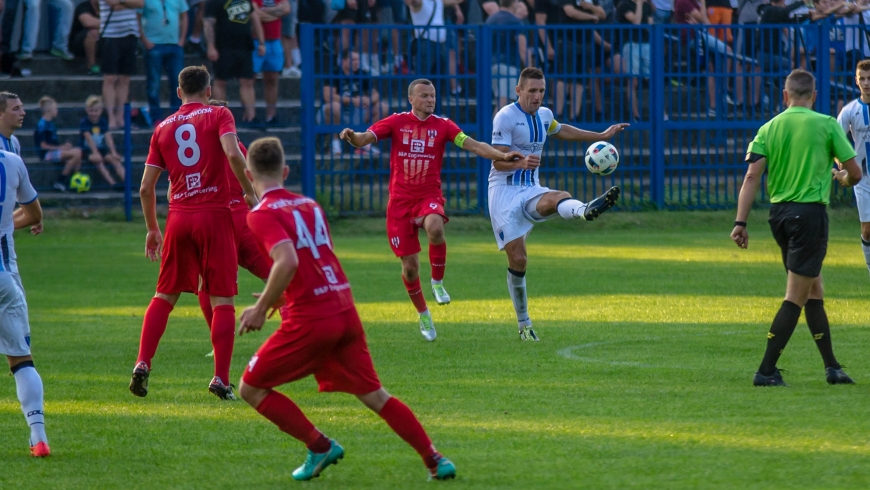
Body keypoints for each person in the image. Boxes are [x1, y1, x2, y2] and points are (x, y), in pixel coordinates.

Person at [236, 136, 457, 482]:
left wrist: (261, 307)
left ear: (248, 174)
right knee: (376, 396)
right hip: (343, 309)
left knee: (250, 388)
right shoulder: (310, 205)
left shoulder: (259, 215)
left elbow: (289, 260)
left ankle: (319, 445)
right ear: (286, 170)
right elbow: (316, 259)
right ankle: (434, 458)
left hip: (311, 320)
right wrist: (280, 297)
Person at [339, 79, 524, 341]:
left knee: (435, 227)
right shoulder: (395, 121)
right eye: (424, 95)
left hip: (428, 196)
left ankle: (437, 283)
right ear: (411, 99)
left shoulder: (444, 126)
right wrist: (352, 137)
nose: (430, 100)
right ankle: (424, 313)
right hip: (400, 204)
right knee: (410, 268)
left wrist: (501, 156)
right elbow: (365, 138)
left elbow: (473, 144)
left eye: (432, 95)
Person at [129, 66, 257, 400]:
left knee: (164, 295)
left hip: (178, 218)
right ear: (209, 89)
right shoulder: (219, 114)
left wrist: (152, 229)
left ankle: (143, 362)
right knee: (222, 298)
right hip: (214, 214)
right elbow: (232, 153)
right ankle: (221, 379)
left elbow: (145, 188)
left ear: (178, 91)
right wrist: (249, 192)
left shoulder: (162, 127)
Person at [733, 69, 861, 386]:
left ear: (785, 96)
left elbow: (751, 178)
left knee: (813, 289)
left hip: (780, 216)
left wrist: (740, 222)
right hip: (810, 216)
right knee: (796, 295)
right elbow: (855, 172)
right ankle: (765, 371)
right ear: (814, 96)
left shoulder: (769, 127)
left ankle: (832, 367)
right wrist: (843, 179)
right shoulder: (826, 124)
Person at [489, 68, 625, 340]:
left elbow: (562, 131)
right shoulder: (505, 117)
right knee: (519, 258)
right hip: (503, 193)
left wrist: (600, 135)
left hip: (530, 189)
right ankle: (524, 325)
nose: (537, 96)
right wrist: (520, 162)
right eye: (532, 91)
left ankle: (584, 210)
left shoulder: (544, 115)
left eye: (541, 91)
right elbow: (496, 160)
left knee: (556, 197)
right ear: (519, 91)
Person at [198, 100, 272, 356]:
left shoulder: (194, 150)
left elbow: (172, 193)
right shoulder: (237, 148)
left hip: (210, 222)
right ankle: (301, 328)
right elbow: (253, 180)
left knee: (207, 286)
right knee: (276, 277)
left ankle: (218, 340)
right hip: (241, 219)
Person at [0, 145, 48, 457]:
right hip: (3, 278)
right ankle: (39, 437)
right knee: (21, 360)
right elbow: (34, 214)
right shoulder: (12, 162)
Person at [204, 0, 266, 124]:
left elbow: (254, 18)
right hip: (223, 47)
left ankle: (251, 117)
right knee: (220, 81)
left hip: (245, 46)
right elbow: (208, 24)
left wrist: (261, 42)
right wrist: (211, 46)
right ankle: (219, 118)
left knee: (247, 81)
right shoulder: (213, 2)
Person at [837, 60, 870, 277]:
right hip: (863, 179)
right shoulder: (850, 111)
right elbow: (835, 139)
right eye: (863, 79)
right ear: (856, 81)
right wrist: (841, 163)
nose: (867, 83)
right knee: (867, 229)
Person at [322, 50, 389, 156]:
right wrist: (353, 101)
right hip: (339, 112)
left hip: (359, 112)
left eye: (358, 60)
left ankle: (364, 144)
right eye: (353, 60)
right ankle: (335, 144)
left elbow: (376, 95)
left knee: (382, 107)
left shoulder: (363, 74)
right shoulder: (334, 73)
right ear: (343, 61)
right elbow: (328, 96)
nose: (356, 62)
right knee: (333, 107)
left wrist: (368, 100)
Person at [139, 0, 189, 123]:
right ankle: (156, 117)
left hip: (174, 45)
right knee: (153, 84)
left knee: (178, 83)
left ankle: (177, 116)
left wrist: (182, 40)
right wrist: (145, 40)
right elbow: (137, 18)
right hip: (154, 45)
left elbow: (184, 15)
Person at [100, 0, 144, 129]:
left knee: (125, 79)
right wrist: (129, 3)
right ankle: (111, 117)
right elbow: (113, 4)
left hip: (130, 33)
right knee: (110, 78)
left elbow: (140, 3)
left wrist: (122, 2)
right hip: (111, 34)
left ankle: (120, 116)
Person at [34, 96, 83, 192]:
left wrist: (65, 147)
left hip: (54, 151)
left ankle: (73, 181)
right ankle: (61, 181)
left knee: (78, 153)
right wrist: (61, 148)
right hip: (46, 154)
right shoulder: (42, 124)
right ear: (48, 110)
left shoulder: (51, 123)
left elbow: (53, 142)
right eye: (55, 109)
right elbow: (43, 146)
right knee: (76, 153)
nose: (57, 111)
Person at [251, 0, 290, 124]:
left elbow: (286, 9)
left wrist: (264, 12)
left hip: (275, 40)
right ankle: (251, 116)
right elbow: (254, 14)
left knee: (273, 78)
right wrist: (275, 12)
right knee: (250, 79)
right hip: (255, 40)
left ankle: (271, 116)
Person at [486, 0, 529, 112]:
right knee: (505, 103)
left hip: (492, 65)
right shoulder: (516, 22)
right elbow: (522, 47)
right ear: (513, 3)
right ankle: (494, 129)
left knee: (503, 101)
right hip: (509, 66)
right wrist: (530, 69)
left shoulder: (490, 20)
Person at [616, 0, 652, 122]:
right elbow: (636, 22)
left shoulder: (647, 6)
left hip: (646, 44)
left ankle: (661, 114)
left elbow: (651, 25)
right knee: (633, 81)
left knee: (653, 79)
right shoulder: (624, 5)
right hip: (631, 45)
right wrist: (640, 4)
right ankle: (635, 115)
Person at [80, 95, 124, 189]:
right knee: (98, 161)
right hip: (88, 150)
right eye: (91, 111)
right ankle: (113, 183)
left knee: (114, 160)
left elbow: (108, 138)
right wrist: (95, 153)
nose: (94, 113)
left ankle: (127, 182)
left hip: (100, 148)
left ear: (101, 111)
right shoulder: (84, 122)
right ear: (87, 110)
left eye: (96, 111)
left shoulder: (102, 122)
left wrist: (113, 152)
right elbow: (89, 139)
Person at [69, 0, 102, 75]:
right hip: (79, 45)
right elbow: (88, 22)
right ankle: (91, 65)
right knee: (93, 32)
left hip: (103, 43)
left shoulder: (109, 9)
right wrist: (109, 24)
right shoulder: (84, 6)